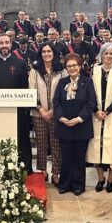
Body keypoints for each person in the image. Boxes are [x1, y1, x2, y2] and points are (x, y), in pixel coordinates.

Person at [0, 34, 32, 173]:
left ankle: (21, 168)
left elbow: (24, 87)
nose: (4, 45)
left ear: (11, 44)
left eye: (6, 42)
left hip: (16, 111)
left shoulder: (20, 63)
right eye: (1, 43)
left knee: (20, 140)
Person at [53, 53, 97, 195]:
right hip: (64, 125)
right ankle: (64, 184)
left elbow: (91, 103)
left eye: (74, 65)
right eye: (69, 66)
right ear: (66, 68)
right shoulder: (62, 82)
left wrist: (79, 119)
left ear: (80, 66)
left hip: (81, 126)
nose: (72, 68)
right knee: (65, 157)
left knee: (78, 158)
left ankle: (78, 185)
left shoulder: (87, 82)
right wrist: (61, 118)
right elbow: (56, 102)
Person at [86, 43, 112, 193]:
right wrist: (96, 110)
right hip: (96, 112)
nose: (108, 56)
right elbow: (90, 91)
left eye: (111, 54)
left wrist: (107, 111)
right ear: (101, 55)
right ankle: (100, 178)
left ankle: (110, 179)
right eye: (106, 53)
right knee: (96, 145)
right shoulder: (94, 70)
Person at [29, 43, 66, 184]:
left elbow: (65, 91)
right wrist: (41, 109)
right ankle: (42, 171)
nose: (46, 54)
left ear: (53, 53)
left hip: (57, 113)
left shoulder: (61, 70)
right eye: (43, 52)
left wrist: (53, 111)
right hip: (38, 113)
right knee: (41, 144)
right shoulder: (35, 70)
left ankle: (56, 172)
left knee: (56, 144)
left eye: (49, 51)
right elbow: (31, 91)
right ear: (40, 54)